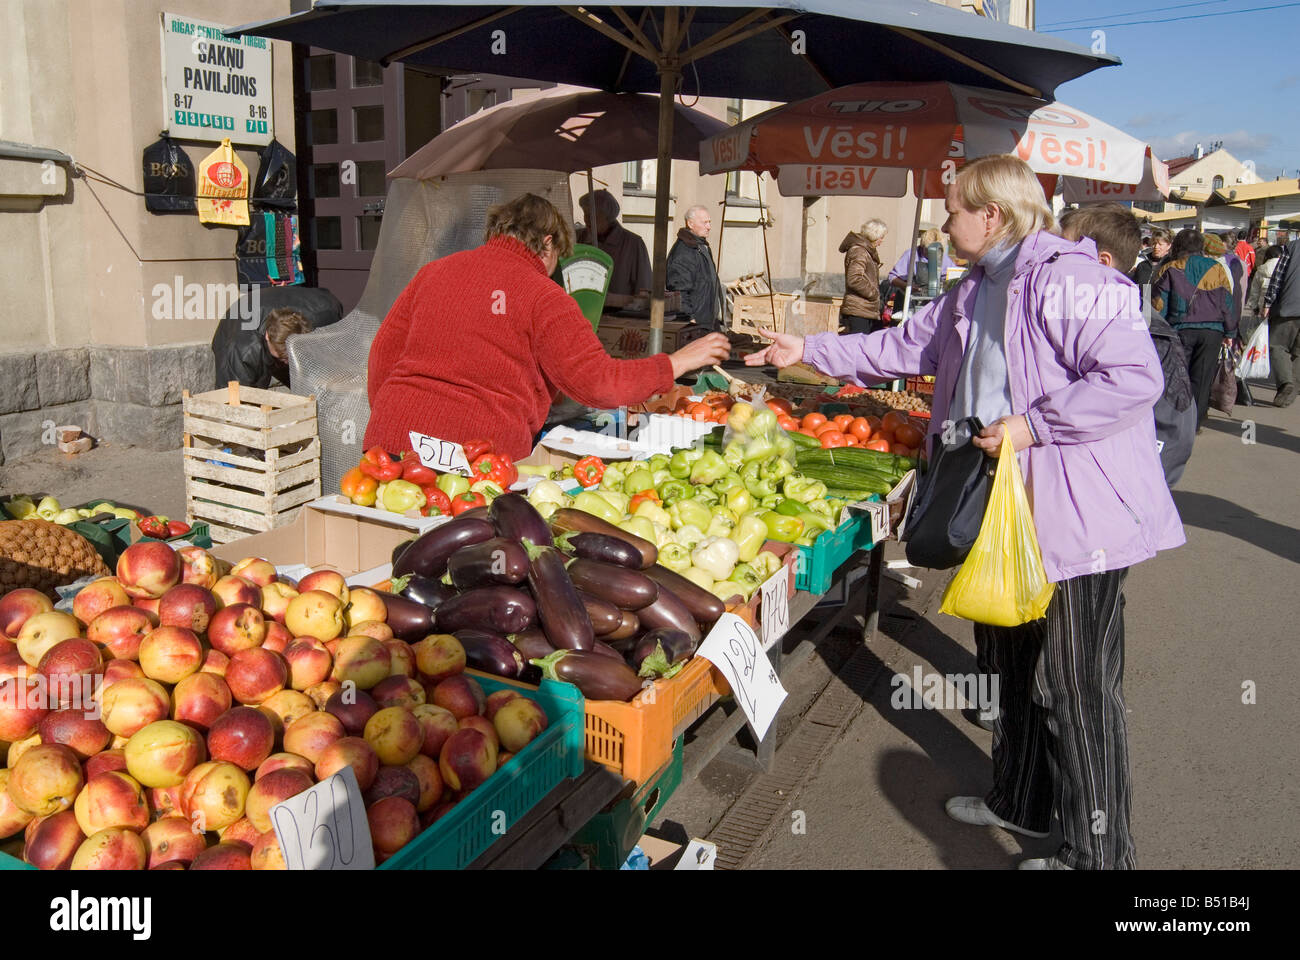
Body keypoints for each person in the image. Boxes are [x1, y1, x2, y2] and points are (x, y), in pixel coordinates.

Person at [746, 155, 1184, 870]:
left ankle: (1101, 855)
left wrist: (1033, 426)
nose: (945, 221)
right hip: (1000, 504)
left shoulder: (1074, 278)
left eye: (954, 209)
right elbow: (903, 345)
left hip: (1082, 518)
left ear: (995, 215)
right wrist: (811, 350)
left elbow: (1135, 379)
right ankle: (1020, 800)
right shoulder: (972, 288)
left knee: (1075, 688)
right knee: (1008, 663)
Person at [364, 193, 731, 460]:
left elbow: (382, 357)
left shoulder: (433, 273)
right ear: (547, 243)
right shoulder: (544, 297)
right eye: (557, 256)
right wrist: (676, 362)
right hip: (475, 458)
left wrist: (396, 415)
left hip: (390, 443)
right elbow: (598, 383)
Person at [1059, 204, 1197, 486]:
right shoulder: (1068, 317)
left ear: (1102, 262)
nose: (1051, 262)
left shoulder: (1147, 330)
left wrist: (1133, 491)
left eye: (1063, 253)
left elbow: (1174, 429)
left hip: (1111, 495)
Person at [1152, 229, 1235, 428]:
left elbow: (1157, 304)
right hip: (1212, 331)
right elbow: (1227, 302)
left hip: (1179, 330)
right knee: (1202, 379)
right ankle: (1193, 424)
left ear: (1177, 246)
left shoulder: (1170, 268)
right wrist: (1230, 331)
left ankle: (1175, 420)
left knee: (1177, 376)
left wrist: (1153, 331)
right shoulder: (1216, 268)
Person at [211, 286, 343, 389]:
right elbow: (234, 401)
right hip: (239, 324)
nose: (288, 362)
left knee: (316, 384)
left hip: (288, 306)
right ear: (268, 336)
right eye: (283, 358)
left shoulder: (323, 314)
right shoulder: (242, 349)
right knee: (249, 395)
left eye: (291, 356)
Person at [576, 189, 652, 308]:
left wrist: (615, 300)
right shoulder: (577, 238)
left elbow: (645, 293)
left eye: (593, 215)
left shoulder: (633, 244)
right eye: (585, 214)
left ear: (608, 217)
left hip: (620, 318)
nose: (587, 220)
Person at [666, 205, 724, 330]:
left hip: (708, 322)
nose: (709, 227)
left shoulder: (700, 246)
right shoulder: (684, 252)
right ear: (690, 224)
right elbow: (679, 291)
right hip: (695, 324)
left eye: (709, 222)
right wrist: (690, 319)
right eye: (704, 223)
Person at [1260, 232, 1300, 407]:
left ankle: (1287, 384)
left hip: (1289, 306)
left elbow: (1278, 276)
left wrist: (1268, 302)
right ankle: (1289, 391)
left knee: (1277, 346)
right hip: (1290, 305)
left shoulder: (1292, 247)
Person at [838, 218, 887, 335]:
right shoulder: (859, 251)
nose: (882, 241)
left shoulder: (866, 251)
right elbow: (854, 279)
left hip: (866, 310)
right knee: (856, 348)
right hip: (858, 310)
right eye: (881, 237)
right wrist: (873, 293)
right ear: (874, 236)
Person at [887, 227, 956, 291]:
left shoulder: (943, 258)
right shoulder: (911, 254)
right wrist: (907, 286)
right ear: (922, 246)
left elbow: (954, 277)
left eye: (936, 252)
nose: (932, 255)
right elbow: (892, 277)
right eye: (928, 251)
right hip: (912, 299)